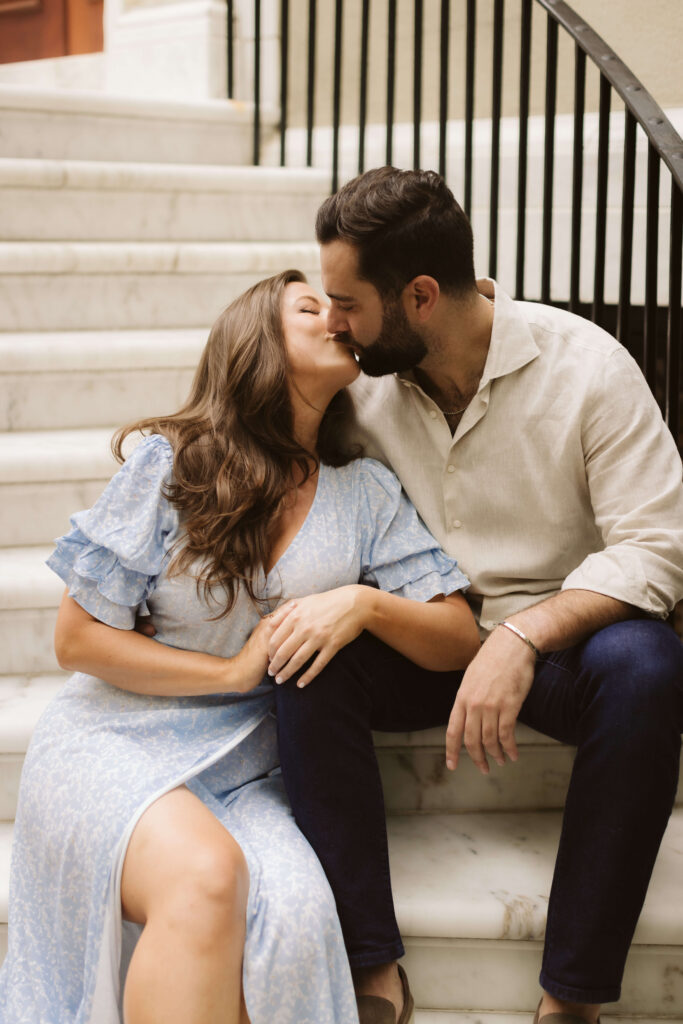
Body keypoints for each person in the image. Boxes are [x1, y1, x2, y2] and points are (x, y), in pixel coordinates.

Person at [0, 269, 481, 1024]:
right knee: (207, 873)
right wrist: (229, 668)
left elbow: (458, 637)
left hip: (252, 772)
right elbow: (76, 638)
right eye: (310, 308)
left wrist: (360, 603)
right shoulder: (173, 461)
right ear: (259, 343)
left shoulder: (364, 494)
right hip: (116, 742)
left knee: (292, 924)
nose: (338, 320)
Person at [271, 168, 683, 1024]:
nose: (334, 321)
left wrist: (523, 636)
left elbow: (656, 547)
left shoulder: (588, 367)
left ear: (419, 296)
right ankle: (370, 968)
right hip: (427, 635)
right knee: (302, 661)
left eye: (347, 301)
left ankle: (571, 995)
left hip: (567, 645)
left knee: (648, 666)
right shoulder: (360, 387)